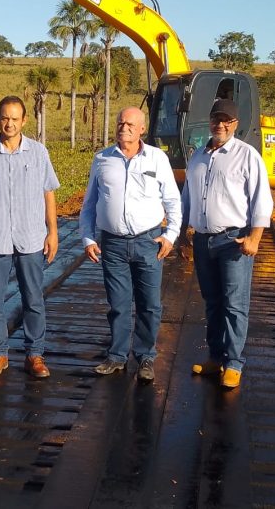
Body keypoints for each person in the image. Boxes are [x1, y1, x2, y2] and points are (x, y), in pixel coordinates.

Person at [79, 107, 182, 383]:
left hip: (148, 241)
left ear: (142, 129)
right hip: (111, 244)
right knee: (118, 304)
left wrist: (171, 235)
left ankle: (146, 356)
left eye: (130, 124)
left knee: (149, 304)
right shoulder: (101, 159)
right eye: (120, 122)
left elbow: (173, 200)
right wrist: (88, 237)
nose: (123, 127)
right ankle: (117, 356)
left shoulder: (157, 159)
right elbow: (89, 204)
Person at [0, 96, 60, 379]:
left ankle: (35, 353)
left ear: (24, 121)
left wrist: (52, 232)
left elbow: (48, 193)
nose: (10, 123)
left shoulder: (39, 153)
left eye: (15, 119)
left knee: (33, 298)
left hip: (31, 237)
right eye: (5, 118)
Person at [180, 98, 274, 389]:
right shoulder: (197, 156)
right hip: (203, 240)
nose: (220, 124)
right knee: (212, 302)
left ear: (235, 124)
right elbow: (187, 197)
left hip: (234, 241)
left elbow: (262, 199)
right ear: (209, 121)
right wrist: (183, 232)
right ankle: (216, 356)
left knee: (235, 304)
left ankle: (234, 363)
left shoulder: (247, 156)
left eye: (226, 120)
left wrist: (255, 238)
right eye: (215, 119)